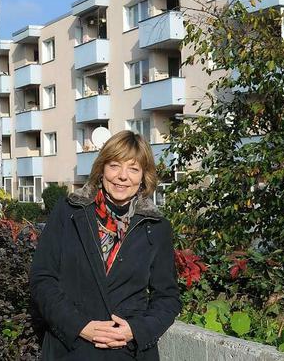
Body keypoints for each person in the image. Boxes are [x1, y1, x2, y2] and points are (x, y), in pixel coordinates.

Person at [30, 130, 181, 360]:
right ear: (101, 169)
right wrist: (80, 326)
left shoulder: (156, 227)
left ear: (143, 176)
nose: (123, 176)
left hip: (128, 352)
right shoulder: (69, 212)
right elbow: (43, 279)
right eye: (114, 165)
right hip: (70, 348)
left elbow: (168, 298)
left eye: (133, 168)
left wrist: (136, 331)